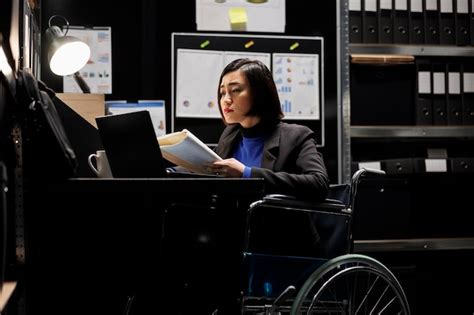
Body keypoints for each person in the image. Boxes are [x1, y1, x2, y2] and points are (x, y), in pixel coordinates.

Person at [210, 58, 329, 201]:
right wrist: (175, 169)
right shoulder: (230, 135)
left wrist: (246, 173)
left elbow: (319, 184)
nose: (226, 100)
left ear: (259, 93)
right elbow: (210, 168)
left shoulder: (296, 136)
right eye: (222, 93)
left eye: (235, 90)